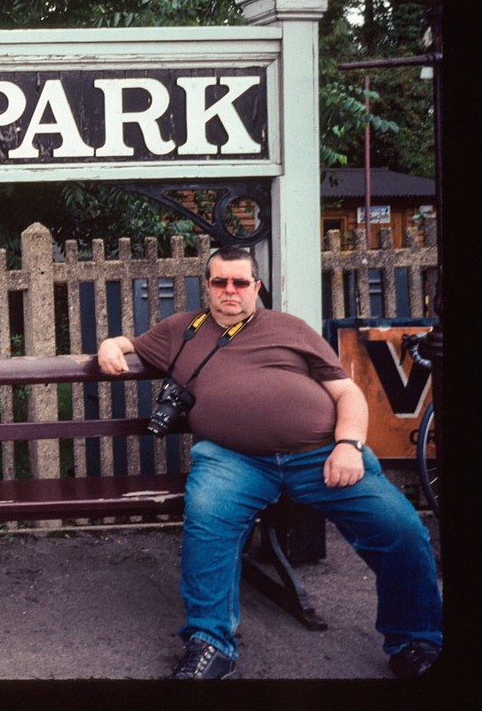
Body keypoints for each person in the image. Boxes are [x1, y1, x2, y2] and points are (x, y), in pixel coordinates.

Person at [97, 245, 443, 680]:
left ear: (255, 286)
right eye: (219, 281)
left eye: (240, 282)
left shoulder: (289, 328)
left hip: (321, 453)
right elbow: (129, 343)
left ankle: (416, 641)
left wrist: (349, 444)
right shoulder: (182, 329)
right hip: (232, 459)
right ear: (207, 285)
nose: (230, 290)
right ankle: (210, 644)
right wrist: (112, 343)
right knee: (208, 518)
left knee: (400, 529)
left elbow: (347, 393)